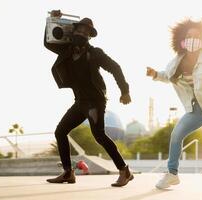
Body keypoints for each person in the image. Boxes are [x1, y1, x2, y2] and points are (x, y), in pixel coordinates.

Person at [44, 10, 133, 187]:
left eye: (86, 33)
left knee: (99, 135)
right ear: (73, 32)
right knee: (60, 131)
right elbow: (48, 42)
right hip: (80, 102)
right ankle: (68, 172)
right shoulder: (67, 51)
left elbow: (115, 68)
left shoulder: (95, 53)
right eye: (79, 31)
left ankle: (125, 171)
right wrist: (52, 20)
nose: (82, 34)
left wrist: (124, 91)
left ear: (90, 37)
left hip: (95, 102)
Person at [146, 19, 202, 193]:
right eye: (189, 36)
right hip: (197, 108)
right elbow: (168, 75)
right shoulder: (177, 61)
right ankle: (172, 173)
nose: (192, 39)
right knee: (176, 134)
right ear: (182, 40)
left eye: (197, 37)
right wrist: (155, 74)